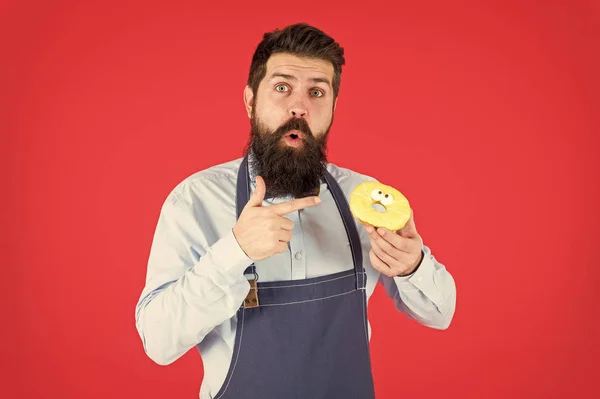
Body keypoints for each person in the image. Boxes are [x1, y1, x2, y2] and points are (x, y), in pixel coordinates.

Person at [135, 23, 456, 399]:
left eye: (316, 92)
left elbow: (440, 314)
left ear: (333, 108)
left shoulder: (365, 200)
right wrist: (234, 252)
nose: (299, 106)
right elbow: (158, 343)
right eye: (282, 87)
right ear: (251, 101)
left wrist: (412, 265)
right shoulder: (195, 200)